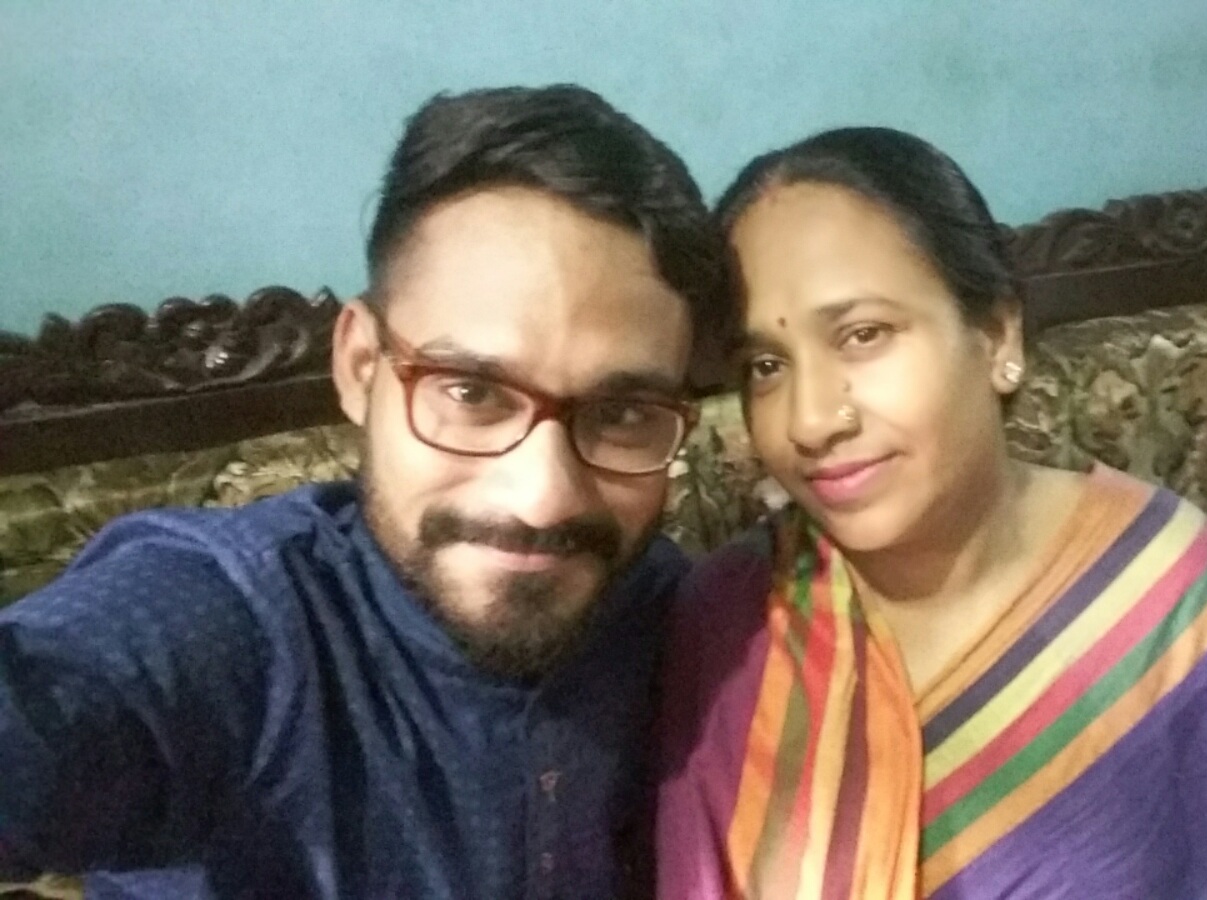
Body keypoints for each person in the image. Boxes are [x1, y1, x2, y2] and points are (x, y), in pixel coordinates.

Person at [0, 84, 725, 899]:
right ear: (359, 367)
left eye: (622, 413)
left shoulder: (683, 618)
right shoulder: (234, 624)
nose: (543, 499)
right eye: (471, 392)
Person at [654, 128, 1207, 898]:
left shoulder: (1161, 589)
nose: (809, 420)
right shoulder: (730, 621)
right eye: (765, 367)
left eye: (862, 335)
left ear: (997, 335)